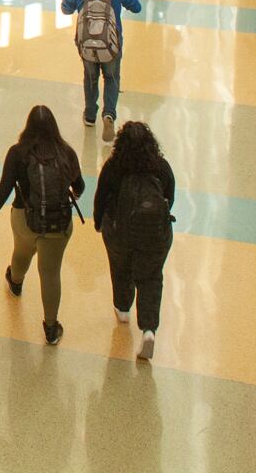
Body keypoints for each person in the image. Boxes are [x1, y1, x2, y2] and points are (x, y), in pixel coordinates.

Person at [0, 103, 85, 345]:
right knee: (50, 272)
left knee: (22, 250)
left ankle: (15, 282)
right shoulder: (66, 152)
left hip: (25, 219)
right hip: (59, 225)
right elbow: (80, 187)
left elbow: (4, 188)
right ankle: (51, 327)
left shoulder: (18, 153)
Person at [93, 120, 176, 362]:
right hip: (155, 235)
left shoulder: (114, 167)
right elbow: (169, 197)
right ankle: (148, 331)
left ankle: (123, 309)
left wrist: (99, 223)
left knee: (121, 269)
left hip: (120, 232)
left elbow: (101, 197)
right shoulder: (161, 167)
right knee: (151, 277)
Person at [62, 0, 142, 140]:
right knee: (112, 78)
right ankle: (109, 114)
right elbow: (137, 7)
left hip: (87, 44)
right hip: (112, 43)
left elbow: (65, 9)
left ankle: (90, 115)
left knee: (90, 78)